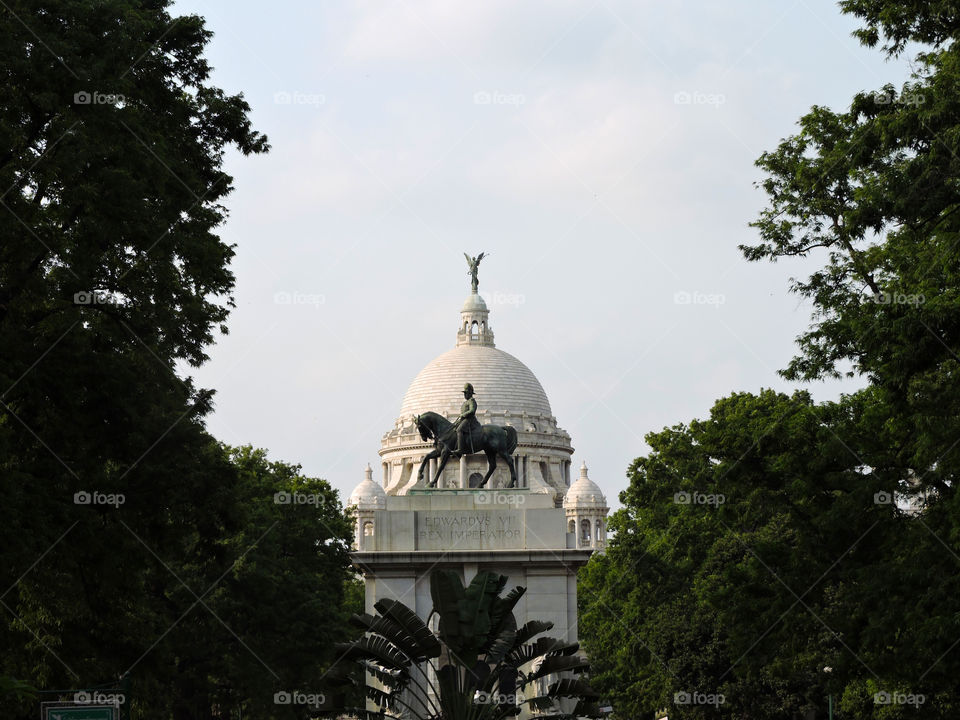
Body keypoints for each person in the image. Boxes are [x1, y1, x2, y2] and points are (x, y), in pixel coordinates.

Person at [454, 382, 480, 454]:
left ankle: (460, 449)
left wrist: (463, 415)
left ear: (470, 393)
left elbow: (472, 411)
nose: (465, 395)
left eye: (466, 393)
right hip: (464, 419)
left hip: (470, 420)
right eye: (464, 393)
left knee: (459, 430)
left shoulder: (472, 401)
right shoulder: (466, 402)